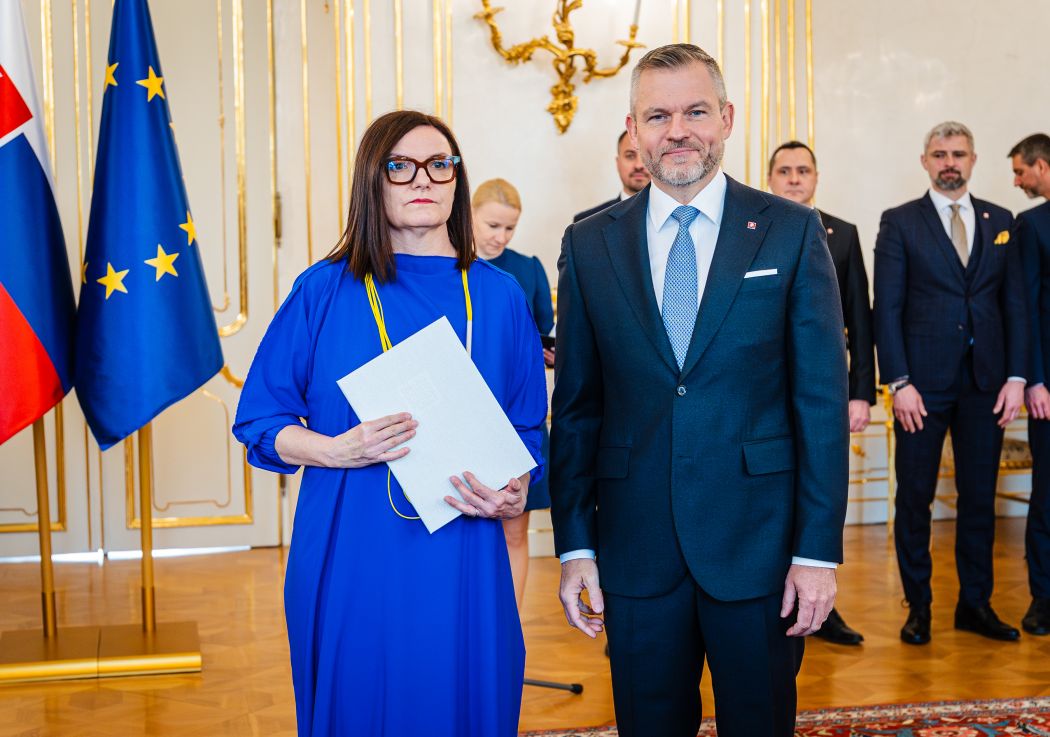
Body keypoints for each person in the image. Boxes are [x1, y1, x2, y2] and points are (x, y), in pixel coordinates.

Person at [551, 44, 848, 737]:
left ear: (727, 118)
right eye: (657, 116)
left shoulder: (792, 231)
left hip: (762, 549)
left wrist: (816, 552)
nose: (676, 130)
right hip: (635, 547)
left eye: (694, 111)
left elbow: (821, 406)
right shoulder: (590, 243)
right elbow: (578, 409)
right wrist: (575, 546)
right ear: (633, 128)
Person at [232, 110, 548, 737]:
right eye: (399, 166)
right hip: (351, 543)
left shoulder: (500, 295)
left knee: (462, 700)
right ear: (372, 181)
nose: (421, 179)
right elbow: (261, 421)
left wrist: (516, 488)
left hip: (464, 544)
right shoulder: (322, 290)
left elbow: (526, 430)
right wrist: (333, 449)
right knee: (359, 701)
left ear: (457, 180)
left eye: (439, 164)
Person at [873, 121, 1027, 646]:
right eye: (939, 153)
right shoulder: (899, 223)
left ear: (973, 159)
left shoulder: (1001, 220)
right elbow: (886, 309)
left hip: (986, 384)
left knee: (979, 499)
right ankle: (919, 606)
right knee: (914, 499)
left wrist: (1016, 376)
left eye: (958, 153)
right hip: (922, 386)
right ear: (924, 161)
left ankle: (975, 604)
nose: (949, 162)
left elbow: (1015, 303)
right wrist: (899, 381)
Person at [768, 140, 874, 647]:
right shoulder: (754, 228)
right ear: (770, 178)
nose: (794, 179)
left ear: (816, 177)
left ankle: (823, 603)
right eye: (784, 170)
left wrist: (861, 393)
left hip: (822, 391)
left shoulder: (844, 235)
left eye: (802, 170)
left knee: (820, 490)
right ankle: (775, 595)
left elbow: (860, 320)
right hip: (767, 394)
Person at [472, 177, 555, 610]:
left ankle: (512, 626)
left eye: (509, 229)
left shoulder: (527, 268)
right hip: (466, 410)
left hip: (513, 412)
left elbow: (543, 333)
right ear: (468, 215)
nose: (499, 238)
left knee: (513, 528)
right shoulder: (446, 263)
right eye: (492, 226)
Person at [1009, 132, 1050, 636]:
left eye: (1021, 171)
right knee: (1047, 499)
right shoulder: (1031, 225)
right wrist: (1035, 379)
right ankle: (1043, 597)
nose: (1017, 182)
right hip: (1049, 389)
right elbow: (1025, 308)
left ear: (1042, 166)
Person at [572, 130, 651, 222]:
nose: (638, 165)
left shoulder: (671, 216)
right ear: (618, 163)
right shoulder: (584, 222)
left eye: (646, 156)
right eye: (630, 156)